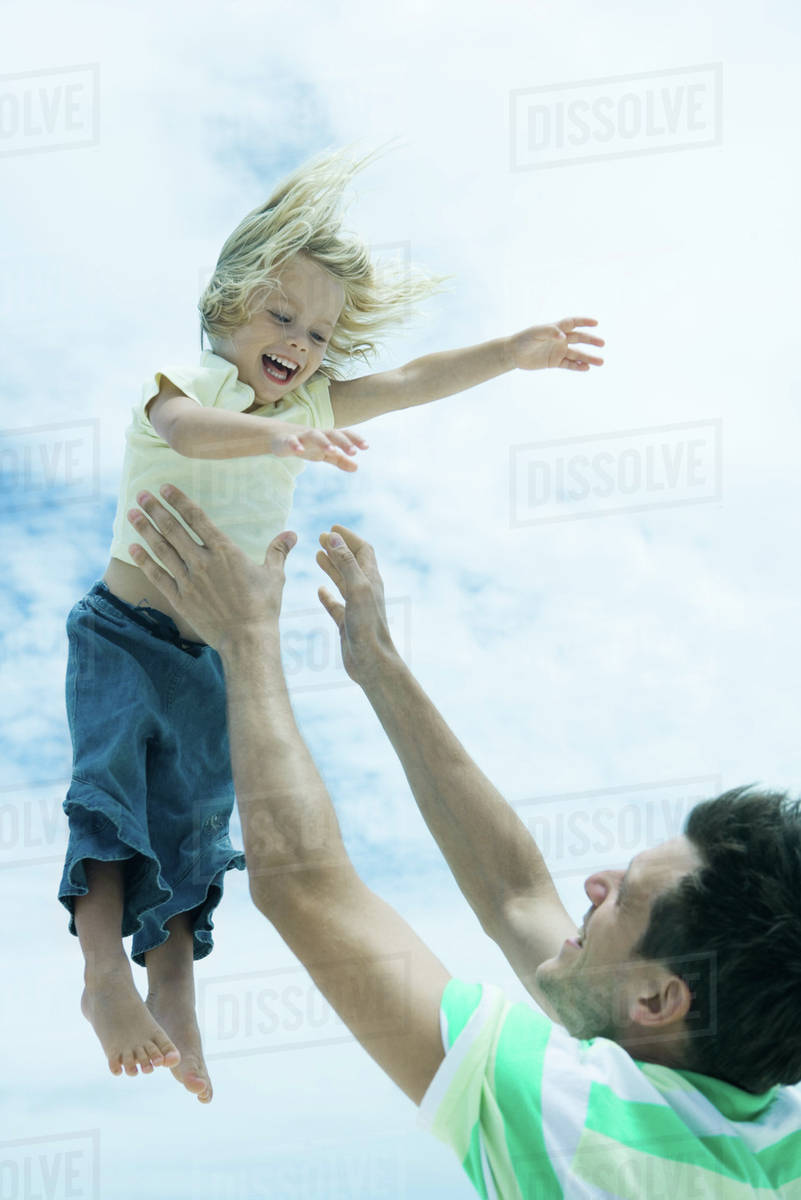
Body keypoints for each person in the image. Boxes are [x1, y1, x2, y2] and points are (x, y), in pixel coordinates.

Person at [57, 140, 606, 1102]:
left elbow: (412, 379)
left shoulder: (309, 400)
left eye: (317, 333)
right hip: (125, 635)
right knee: (112, 794)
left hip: (214, 660)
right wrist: (278, 435)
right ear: (225, 307)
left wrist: (510, 354)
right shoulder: (189, 385)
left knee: (194, 826)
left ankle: (174, 988)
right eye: (281, 317)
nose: (300, 345)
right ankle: (104, 972)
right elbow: (189, 436)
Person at [125, 482, 801, 1197]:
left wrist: (245, 637)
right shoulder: (774, 1139)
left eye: (624, 897)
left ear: (659, 1003)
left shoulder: (575, 1121)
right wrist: (379, 666)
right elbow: (516, 895)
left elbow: (305, 888)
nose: (594, 884)